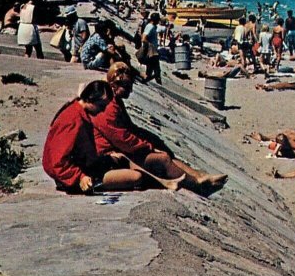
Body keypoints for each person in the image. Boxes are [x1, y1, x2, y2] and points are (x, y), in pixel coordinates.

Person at [92, 63, 227, 192]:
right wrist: (147, 146)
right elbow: (121, 139)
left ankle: (199, 176)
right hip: (109, 154)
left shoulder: (114, 100)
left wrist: (152, 141)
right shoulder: (108, 107)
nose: (131, 90)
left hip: (118, 148)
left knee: (163, 151)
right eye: (127, 87)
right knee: (161, 159)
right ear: (113, 85)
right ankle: (196, 184)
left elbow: (129, 128)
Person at [42, 80, 143, 193]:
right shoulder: (73, 120)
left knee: (120, 159)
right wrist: (80, 177)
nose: (102, 110)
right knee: (136, 177)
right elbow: (58, 161)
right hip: (73, 177)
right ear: (90, 99)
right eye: (101, 106)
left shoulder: (79, 111)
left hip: (85, 166)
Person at [140, 12, 161, 84]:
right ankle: (149, 80)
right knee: (156, 70)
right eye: (158, 20)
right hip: (151, 51)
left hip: (153, 50)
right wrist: (150, 45)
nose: (159, 21)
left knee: (151, 69)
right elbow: (143, 38)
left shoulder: (153, 26)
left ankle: (146, 80)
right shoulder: (150, 27)